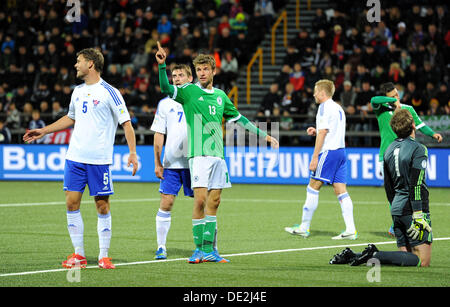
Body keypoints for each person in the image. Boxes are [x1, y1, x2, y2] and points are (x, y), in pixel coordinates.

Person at [155, 41, 279, 263]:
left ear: (214, 71)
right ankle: (199, 249)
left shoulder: (221, 96)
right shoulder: (189, 91)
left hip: (218, 156)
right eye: (198, 70)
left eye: (205, 69)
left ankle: (210, 251)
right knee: (200, 201)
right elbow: (166, 89)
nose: (201, 73)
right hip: (199, 155)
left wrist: (265, 135)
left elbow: (239, 119)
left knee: (215, 202)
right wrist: (162, 66)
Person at [23, 48, 139, 269]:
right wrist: (44, 130)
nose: (75, 65)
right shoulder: (77, 91)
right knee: (71, 203)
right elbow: (71, 117)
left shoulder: (110, 92)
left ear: (91, 64)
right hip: (74, 158)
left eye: (79, 61)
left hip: (99, 160)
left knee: (102, 206)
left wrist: (133, 153)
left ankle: (104, 255)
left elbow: (127, 125)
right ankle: (79, 255)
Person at [345, 109, 432, 267]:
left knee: (405, 257)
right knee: (422, 261)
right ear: (413, 125)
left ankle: (354, 255)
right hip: (413, 210)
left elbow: (388, 186)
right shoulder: (419, 149)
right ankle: (374, 255)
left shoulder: (388, 149)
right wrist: (418, 214)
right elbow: (416, 184)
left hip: (397, 209)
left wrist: (395, 210)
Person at [285, 79, 357, 240]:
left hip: (329, 152)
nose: (314, 94)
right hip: (340, 151)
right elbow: (329, 130)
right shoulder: (338, 108)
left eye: (316, 91)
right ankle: (351, 229)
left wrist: (315, 157)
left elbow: (324, 133)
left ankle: (304, 227)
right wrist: (317, 131)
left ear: (323, 93)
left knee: (312, 187)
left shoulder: (324, 107)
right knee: (341, 191)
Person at [370, 82, 442, 236]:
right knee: (392, 193)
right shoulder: (381, 109)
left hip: (405, 156)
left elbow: (421, 125)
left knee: (409, 189)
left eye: (397, 94)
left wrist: (433, 134)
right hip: (386, 156)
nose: (397, 97)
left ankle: (406, 222)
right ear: (387, 98)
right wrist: (390, 102)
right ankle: (396, 224)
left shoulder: (408, 109)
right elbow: (374, 100)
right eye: (393, 96)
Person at [150, 64, 194, 260]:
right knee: (166, 203)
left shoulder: (198, 98)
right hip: (172, 164)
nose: (176, 78)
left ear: (190, 78)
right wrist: (158, 162)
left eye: (181, 75)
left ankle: (208, 246)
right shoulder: (164, 104)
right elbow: (159, 134)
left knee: (204, 203)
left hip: (196, 161)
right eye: (173, 75)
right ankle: (161, 246)